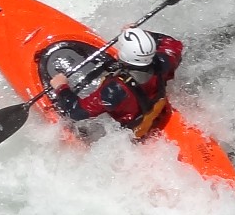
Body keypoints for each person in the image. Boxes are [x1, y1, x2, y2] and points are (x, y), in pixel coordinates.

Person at [47, 27, 183, 137]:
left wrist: (61, 87)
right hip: (153, 110)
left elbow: (75, 112)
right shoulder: (164, 62)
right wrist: (142, 36)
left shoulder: (114, 91)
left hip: (131, 129)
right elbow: (173, 43)